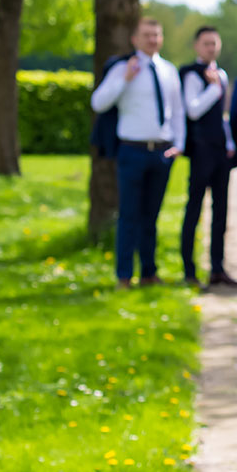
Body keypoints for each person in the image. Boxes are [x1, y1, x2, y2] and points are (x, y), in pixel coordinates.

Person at [90, 18, 185, 289]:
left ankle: (149, 272)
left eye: (156, 35)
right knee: (129, 216)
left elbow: (177, 112)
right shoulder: (123, 68)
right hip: (132, 151)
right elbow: (98, 102)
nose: (152, 40)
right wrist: (124, 79)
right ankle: (123, 276)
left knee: (151, 217)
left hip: (162, 153)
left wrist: (179, 143)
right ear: (135, 39)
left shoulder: (168, 71)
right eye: (146, 35)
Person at [179, 26, 237, 288]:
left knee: (221, 211)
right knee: (194, 209)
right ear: (197, 46)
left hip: (220, 152)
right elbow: (192, 111)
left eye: (214, 43)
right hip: (200, 151)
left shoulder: (222, 74)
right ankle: (189, 270)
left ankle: (218, 268)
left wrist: (229, 142)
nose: (211, 48)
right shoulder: (190, 74)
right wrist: (214, 89)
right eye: (206, 44)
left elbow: (222, 115)